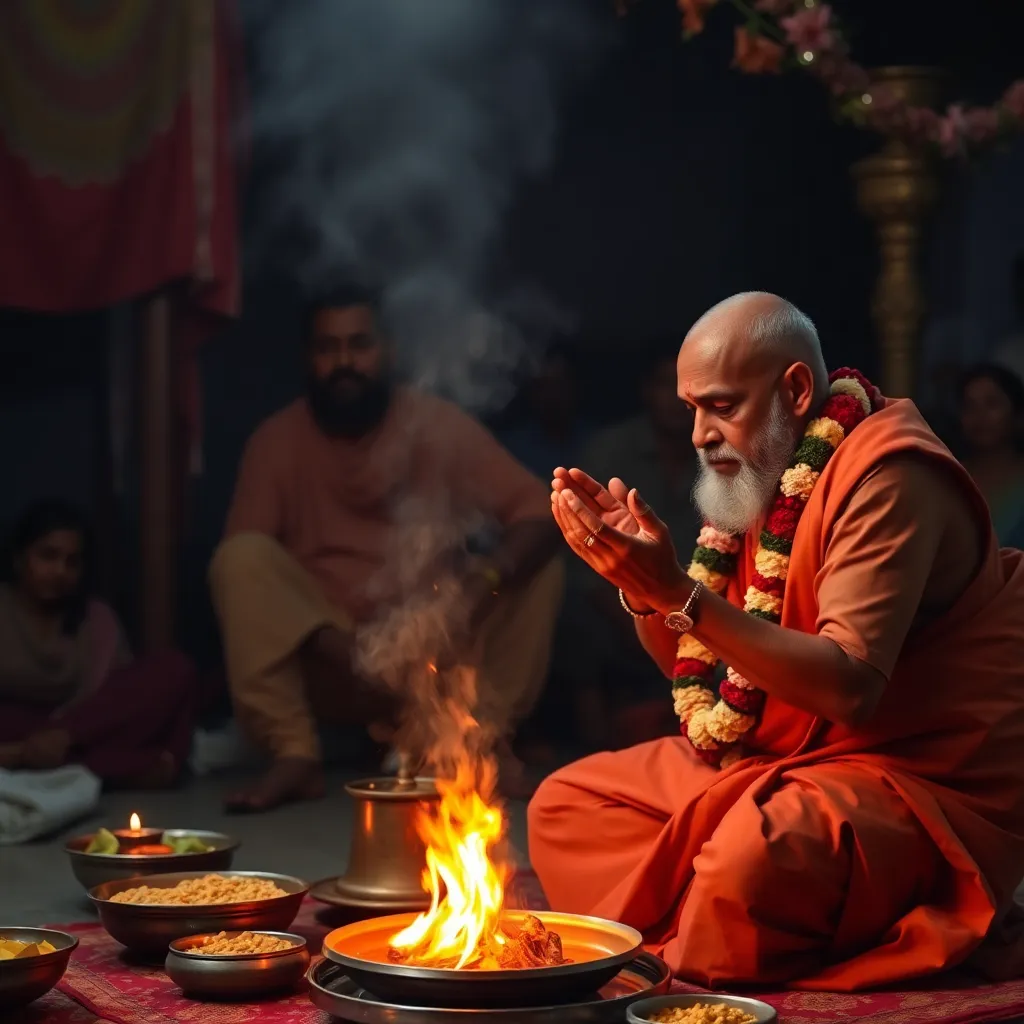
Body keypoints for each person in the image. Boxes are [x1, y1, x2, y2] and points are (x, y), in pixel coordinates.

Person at [530, 292, 1024, 989]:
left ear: (794, 389)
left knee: (745, 863)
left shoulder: (888, 474)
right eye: (691, 406)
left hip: (905, 780)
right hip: (778, 756)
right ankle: (734, 919)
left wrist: (678, 593)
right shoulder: (762, 476)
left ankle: (759, 916)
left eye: (721, 406)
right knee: (563, 806)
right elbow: (706, 667)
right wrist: (647, 592)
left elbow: (849, 686)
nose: (699, 432)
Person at [210, 284, 563, 813]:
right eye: (327, 348)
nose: (344, 362)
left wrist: (475, 589)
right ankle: (294, 755)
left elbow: (539, 511)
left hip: (436, 658)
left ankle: (476, 744)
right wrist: (353, 653)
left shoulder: (435, 423)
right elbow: (250, 572)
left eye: (359, 344)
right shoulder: (276, 440)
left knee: (539, 566)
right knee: (238, 560)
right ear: (308, 358)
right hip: (334, 664)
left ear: (389, 350)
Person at [559, 349, 701, 749]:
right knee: (573, 616)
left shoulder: (720, 453)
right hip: (618, 601)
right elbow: (582, 563)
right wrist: (638, 610)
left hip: (703, 605)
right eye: (663, 385)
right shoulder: (610, 451)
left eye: (685, 388)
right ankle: (595, 747)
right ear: (646, 391)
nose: (674, 398)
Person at [0, 500, 197, 787]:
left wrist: (66, 733)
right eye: (48, 556)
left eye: (72, 562)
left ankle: (78, 762)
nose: (59, 571)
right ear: (19, 559)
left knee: (174, 668)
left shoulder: (96, 619)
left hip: (83, 730)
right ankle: (125, 769)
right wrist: (22, 753)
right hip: (16, 735)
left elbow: (120, 703)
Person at [959, 363, 1024, 549]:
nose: (979, 416)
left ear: (1017, 413)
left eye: (992, 404)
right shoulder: (950, 478)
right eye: (969, 406)